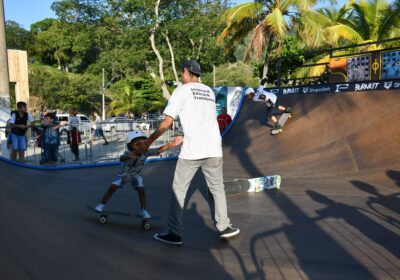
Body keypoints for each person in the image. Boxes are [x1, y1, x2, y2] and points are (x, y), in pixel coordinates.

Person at [148, 60, 240, 246]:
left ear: (185, 72)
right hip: (214, 149)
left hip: (192, 152)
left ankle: (175, 233)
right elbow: (202, 119)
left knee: (179, 191)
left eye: (182, 74)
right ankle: (224, 227)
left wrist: (149, 140)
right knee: (217, 189)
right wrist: (183, 134)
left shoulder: (182, 90)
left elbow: (167, 122)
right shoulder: (209, 91)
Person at [94, 130, 174, 218]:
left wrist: (169, 145)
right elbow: (121, 158)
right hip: (123, 175)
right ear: (130, 145)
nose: (141, 147)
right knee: (112, 188)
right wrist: (129, 157)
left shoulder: (145, 152)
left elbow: (158, 150)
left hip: (136, 176)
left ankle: (143, 210)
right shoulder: (128, 153)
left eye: (143, 144)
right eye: (137, 144)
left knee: (141, 191)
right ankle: (101, 205)